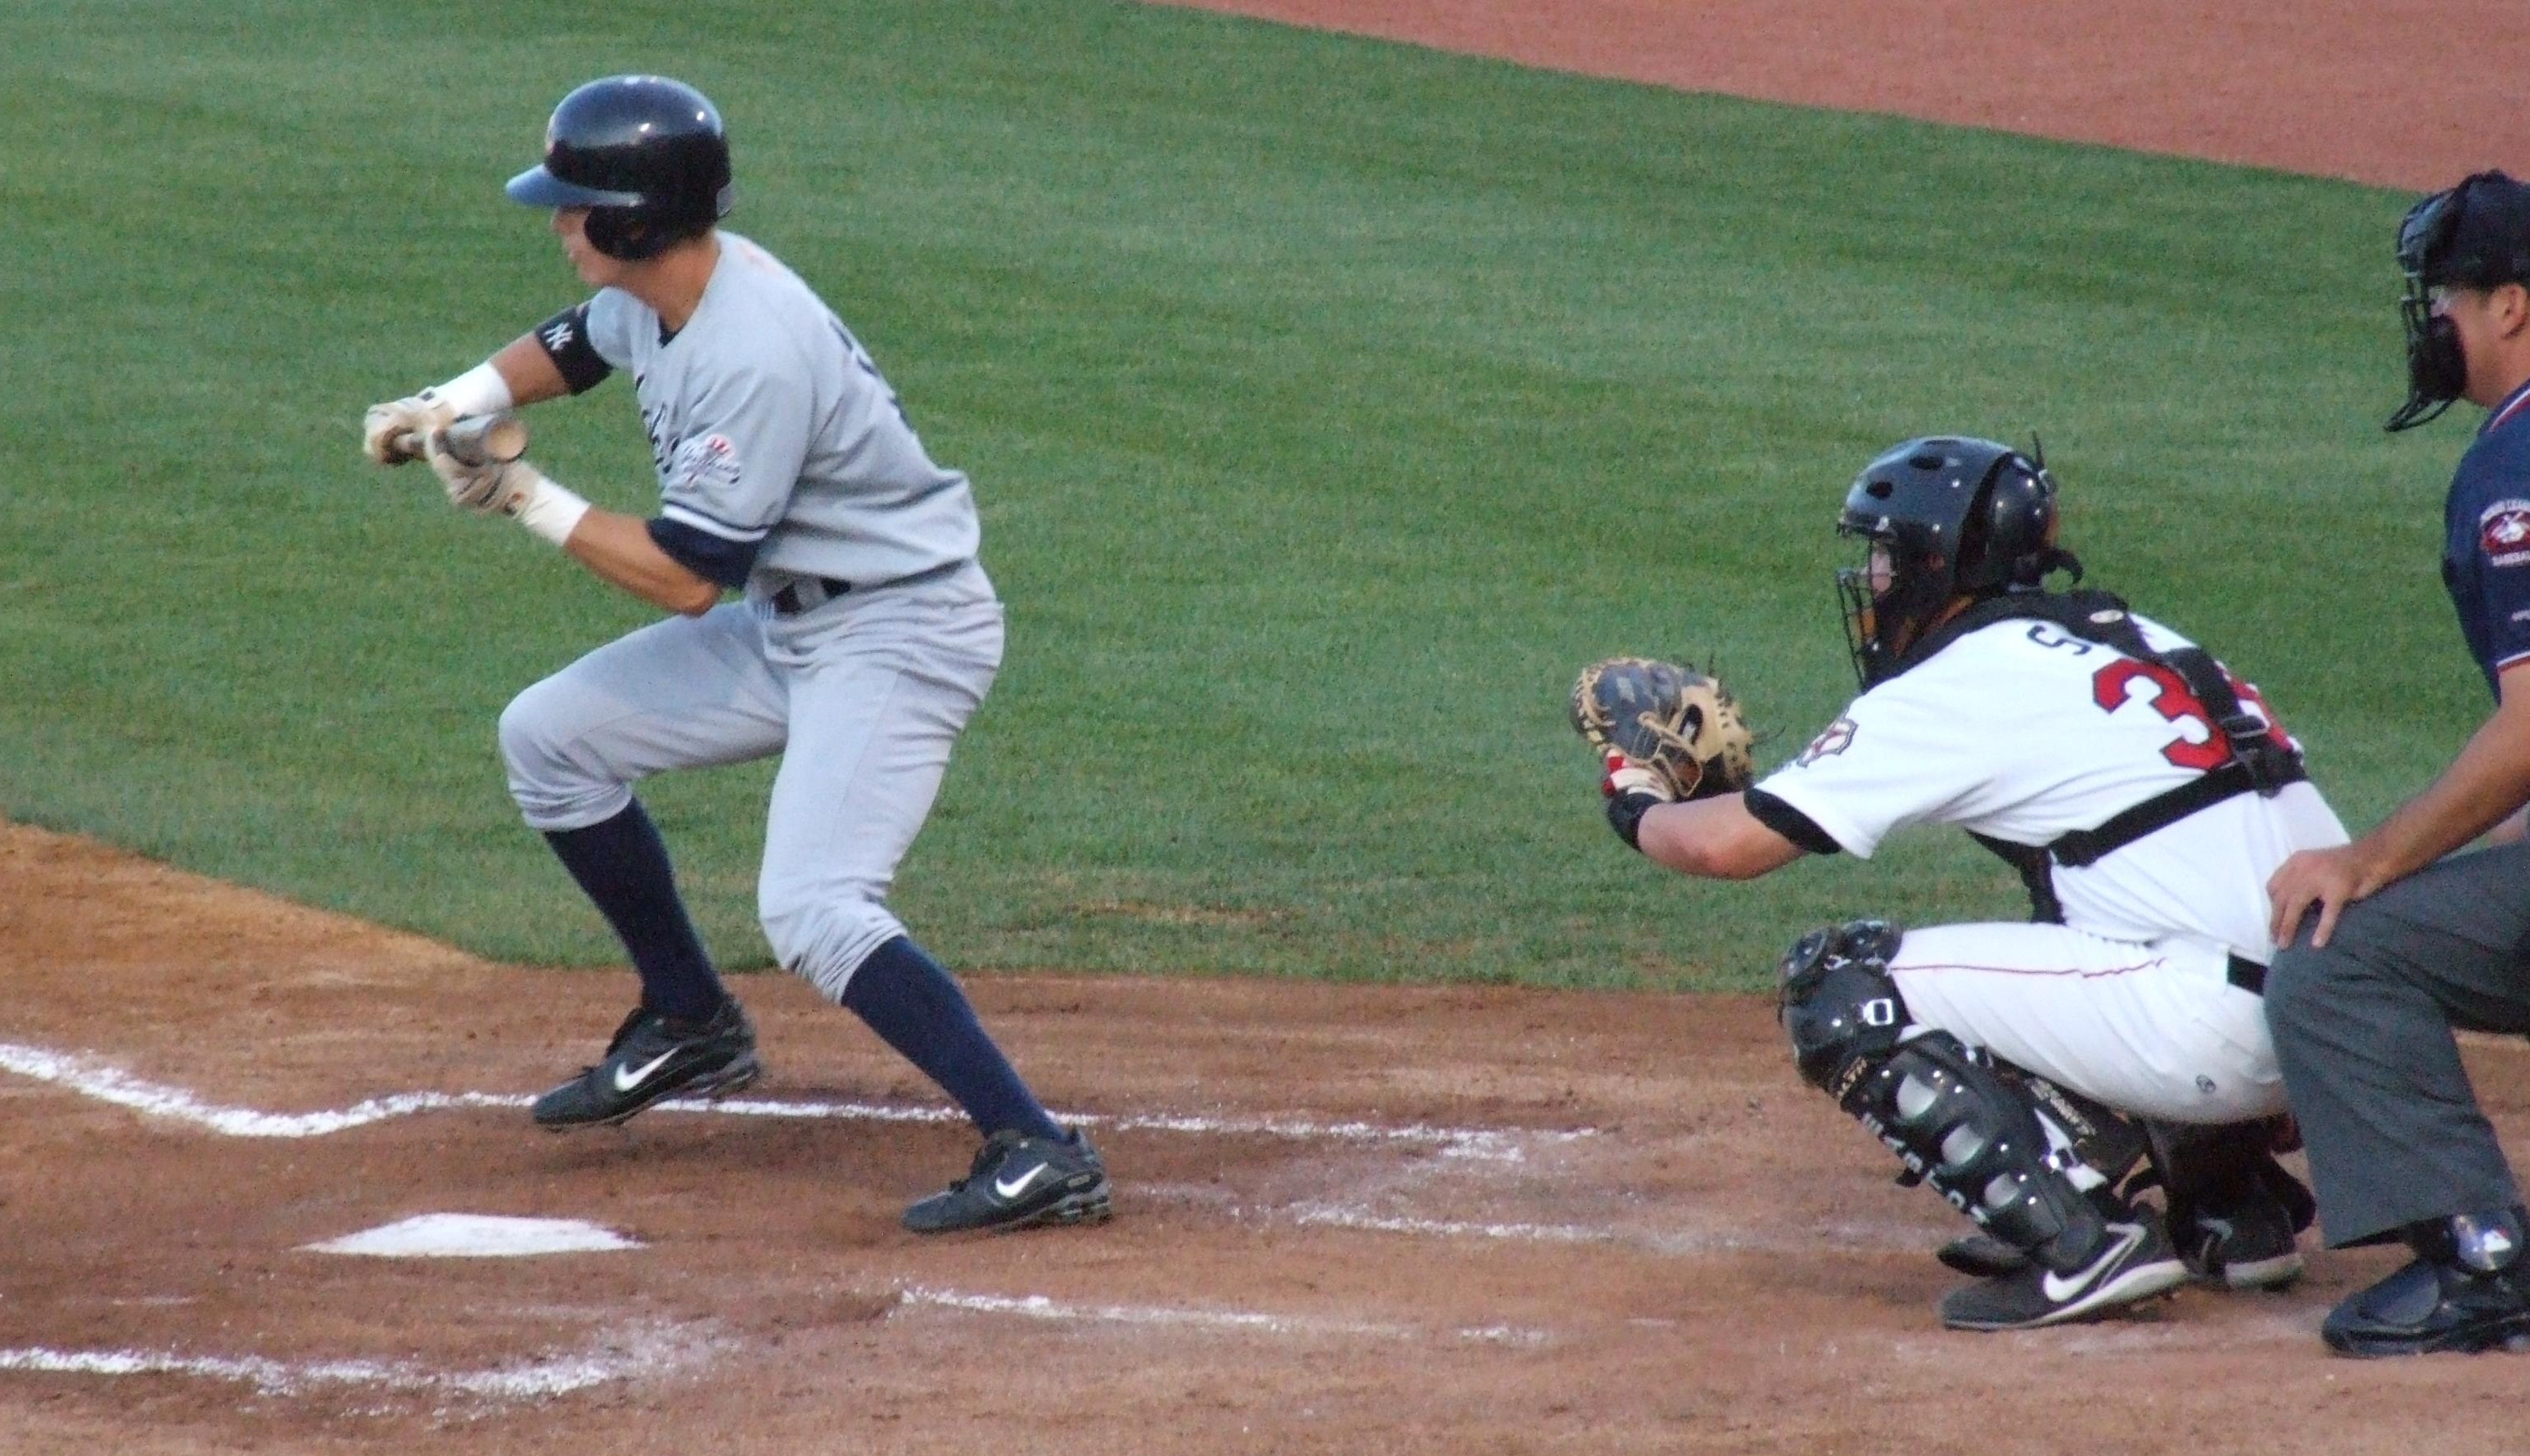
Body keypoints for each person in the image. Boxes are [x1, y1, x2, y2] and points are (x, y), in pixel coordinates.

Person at [360, 74, 1108, 1236]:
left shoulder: (751, 352)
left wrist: (520, 495)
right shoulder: (665, 291)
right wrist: (447, 401)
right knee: (548, 739)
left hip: (898, 630)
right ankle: (691, 1019)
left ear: (633, 223)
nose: (558, 225)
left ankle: (1037, 1146)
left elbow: (687, 577)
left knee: (813, 906)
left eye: (573, 207)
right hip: (794, 624)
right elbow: (574, 345)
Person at [1595, 435, 2349, 1331]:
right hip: (2331, 1020)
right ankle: (2232, 1210)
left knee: (1839, 985)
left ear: (1933, 565)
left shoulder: (1964, 676)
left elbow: (1727, 847)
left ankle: (2082, 1245)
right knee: (2097, 917)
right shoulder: (2136, 639)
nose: (1872, 580)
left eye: (1884, 557)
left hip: (2210, 1030)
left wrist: (1633, 797)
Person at [2264, 170, 2530, 1357]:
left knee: (2341, 955)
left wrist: (2368, 859)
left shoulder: (2513, 468)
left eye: (2446, 303)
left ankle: (2480, 1261)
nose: (2435, 325)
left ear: (2509, 306)